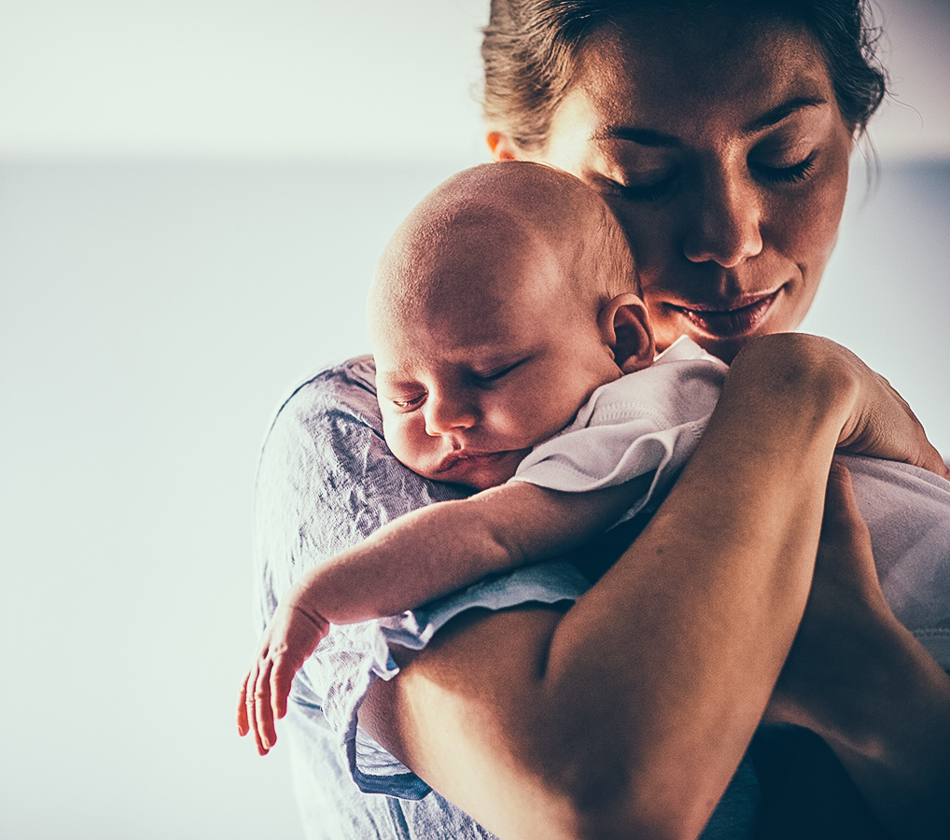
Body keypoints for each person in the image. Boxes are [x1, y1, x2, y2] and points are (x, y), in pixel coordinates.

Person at [249, 2, 950, 838]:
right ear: (520, 172)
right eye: (641, 177)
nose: (730, 237)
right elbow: (598, 801)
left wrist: (880, 692)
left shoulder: (845, 444)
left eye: (787, 158)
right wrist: (792, 386)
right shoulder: (373, 432)